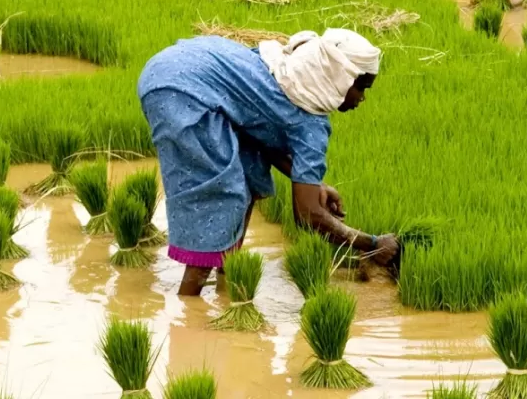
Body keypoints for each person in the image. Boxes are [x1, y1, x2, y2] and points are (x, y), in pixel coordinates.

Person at [138, 29, 399, 297]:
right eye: (361, 88)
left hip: (168, 67)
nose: (362, 98)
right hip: (181, 92)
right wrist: (373, 244)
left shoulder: (285, 72)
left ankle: (230, 279)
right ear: (339, 78)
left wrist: (314, 184)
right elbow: (307, 215)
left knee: (248, 170)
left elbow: (258, 132)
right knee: (224, 196)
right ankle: (189, 305)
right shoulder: (311, 123)